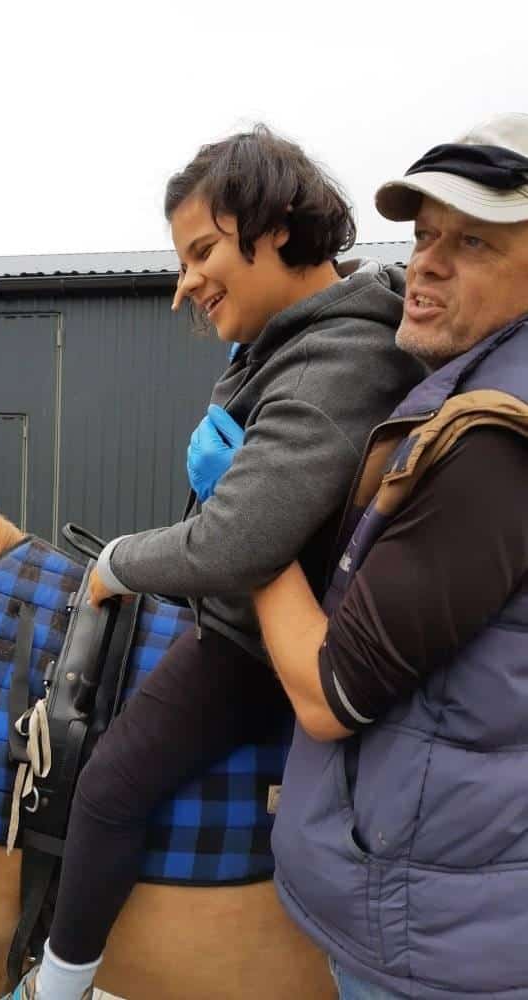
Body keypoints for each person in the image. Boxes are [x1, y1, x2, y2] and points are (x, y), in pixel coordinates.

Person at [3, 126, 423, 1000]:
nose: (184, 281)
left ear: (274, 227)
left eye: (201, 251)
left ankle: (61, 984)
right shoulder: (288, 338)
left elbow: (235, 544)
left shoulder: (336, 356)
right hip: (230, 607)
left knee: (112, 781)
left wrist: (118, 561)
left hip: (256, 640)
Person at [250, 112, 528, 999]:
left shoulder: (494, 440)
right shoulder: (471, 384)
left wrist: (246, 532)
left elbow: (332, 694)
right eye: (423, 236)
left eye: (473, 243)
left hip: (432, 939)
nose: (426, 265)